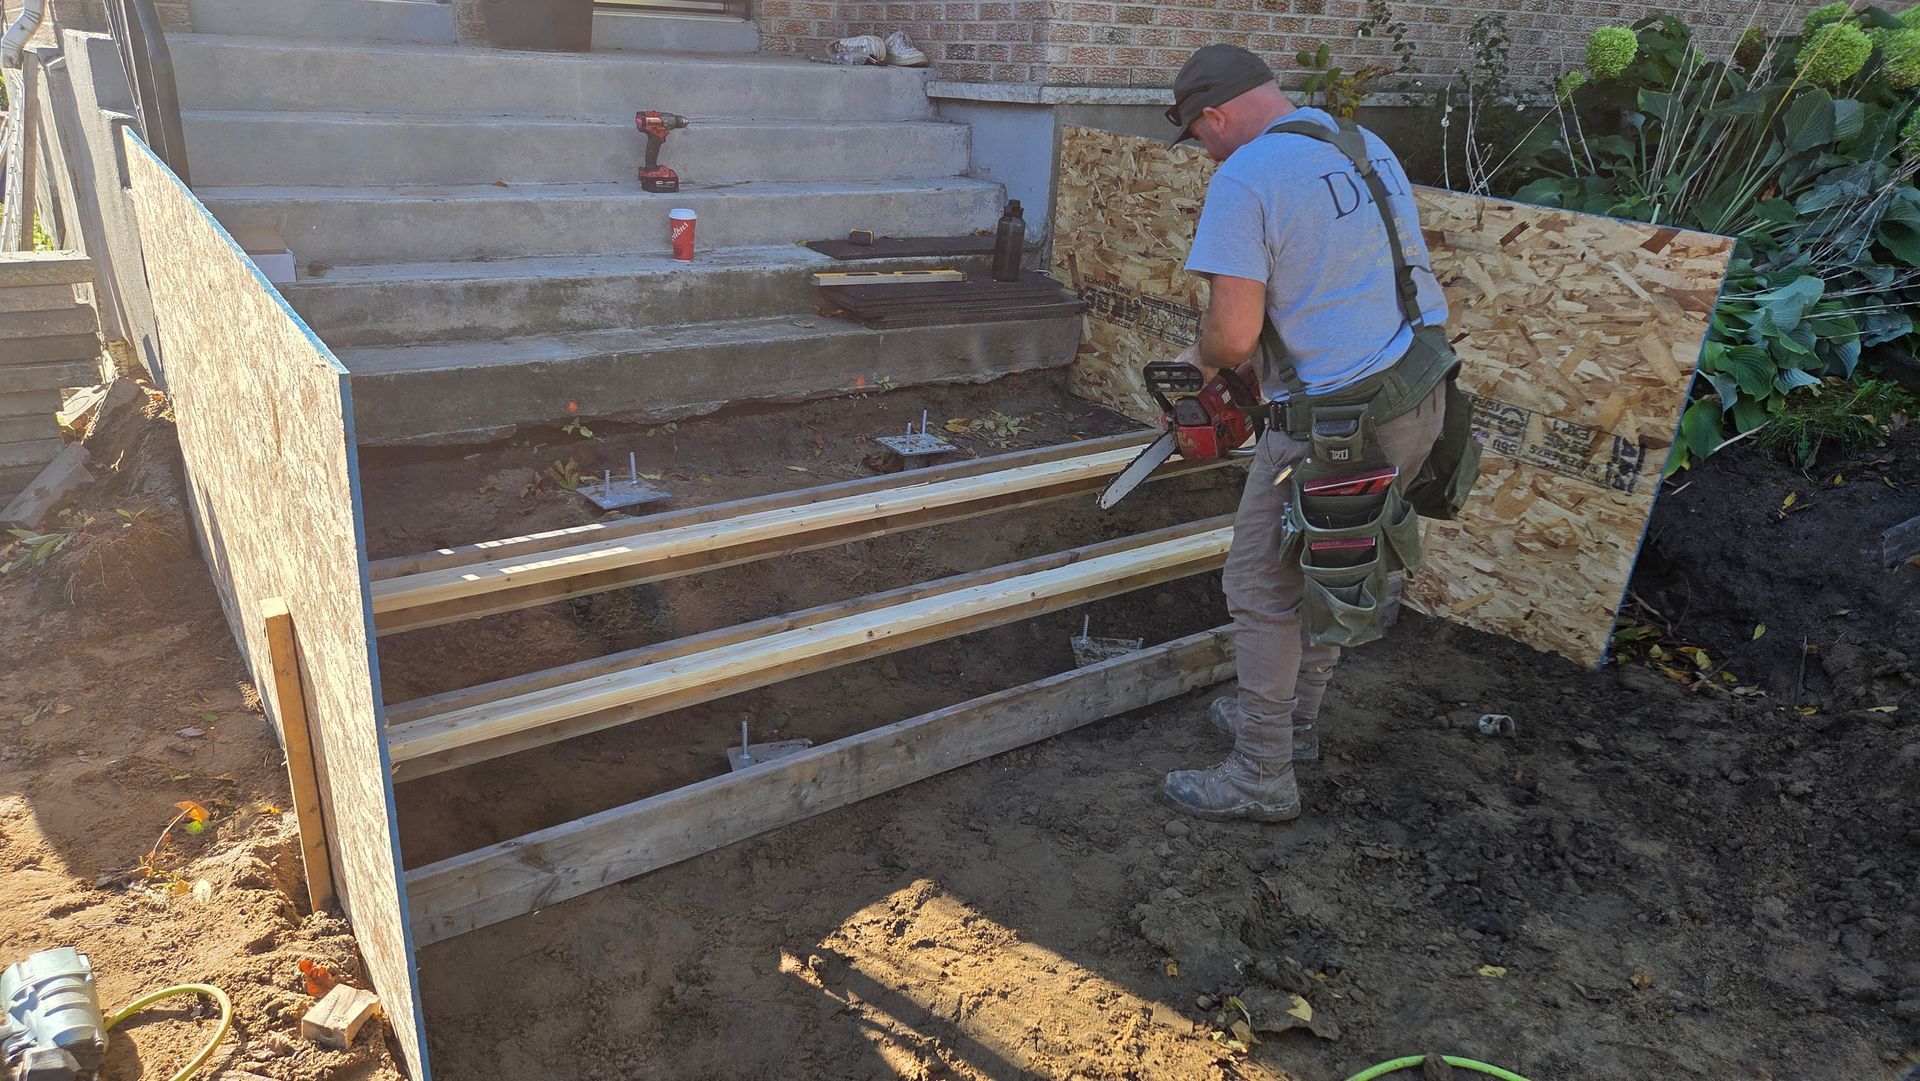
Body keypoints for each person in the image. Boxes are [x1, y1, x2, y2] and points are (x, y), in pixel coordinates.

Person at [1159, 44, 1455, 822]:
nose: (1205, 151)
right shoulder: (1358, 145)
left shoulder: (1247, 175)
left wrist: (1196, 364)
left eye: (1200, 135)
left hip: (1338, 422)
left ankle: (1261, 773)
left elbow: (1230, 336)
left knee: (1260, 590)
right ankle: (1292, 727)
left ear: (1216, 116)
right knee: (1332, 563)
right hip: (1418, 393)